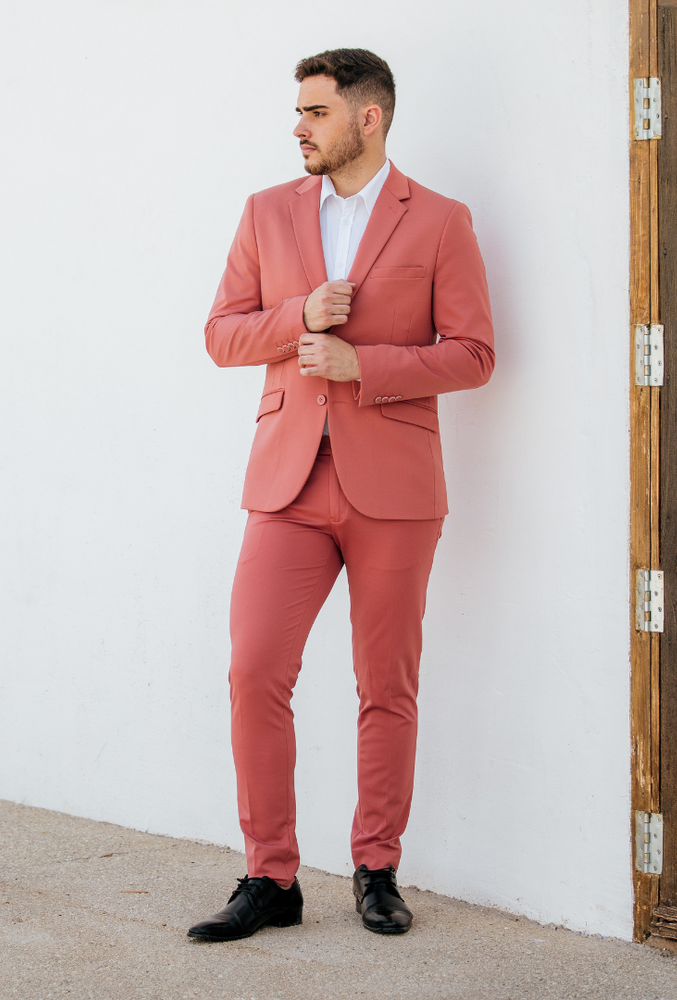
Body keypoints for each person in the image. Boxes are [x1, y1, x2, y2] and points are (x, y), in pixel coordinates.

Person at [188, 48, 494, 942]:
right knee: (254, 669)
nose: (299, 127)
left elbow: (474, 353)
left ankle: (376, 870)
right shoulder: (266, 211)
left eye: (315, 111)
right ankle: (269, 877)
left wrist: (366, 365)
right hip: (287, 482)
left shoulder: (439, 220)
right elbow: (221, 335)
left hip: (394, 488)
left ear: (369, 117)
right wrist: (300, 319)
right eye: (299, 111)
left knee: (385, 684)